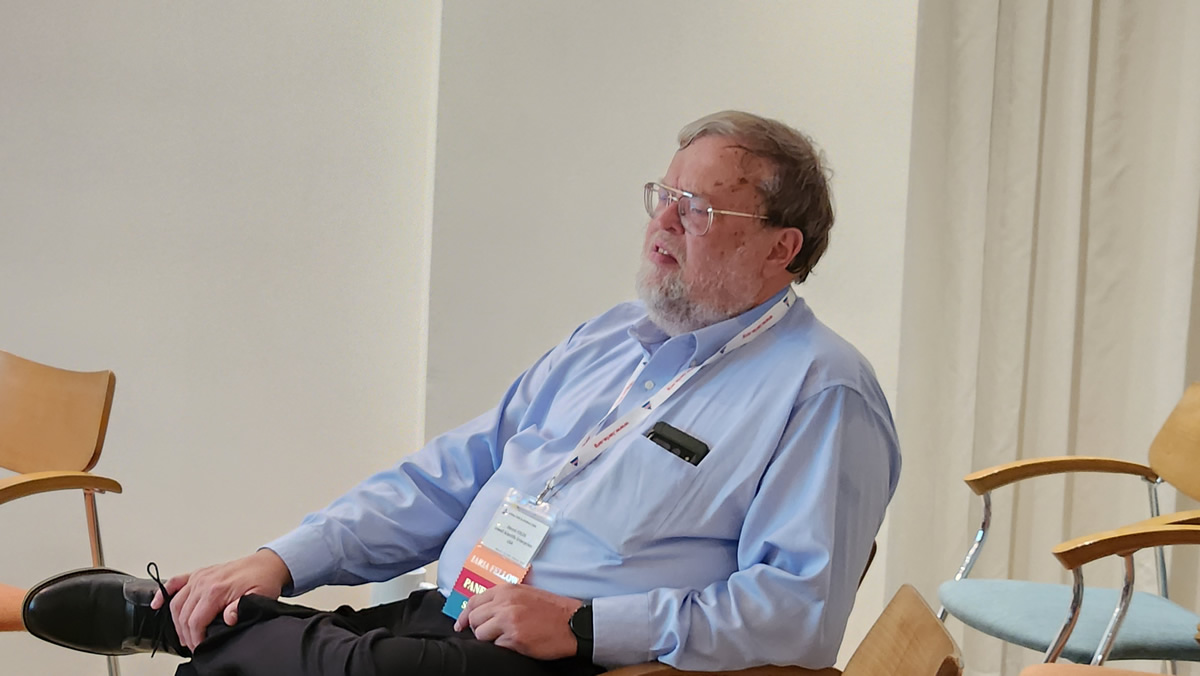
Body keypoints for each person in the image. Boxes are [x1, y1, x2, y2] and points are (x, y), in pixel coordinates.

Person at [15, 110, 901, 676]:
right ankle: (228, 614)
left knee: (254, 662)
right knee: (290, 648)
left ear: (781, 248)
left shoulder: (822, 391)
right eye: (663, 195)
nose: (663, 222)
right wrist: (280, 559)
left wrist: (587, 625)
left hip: (572, 660)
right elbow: (448, 477)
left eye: (700, 209)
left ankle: (195, 624)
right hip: (458, 616)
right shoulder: (610, 339)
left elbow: (797, 616)